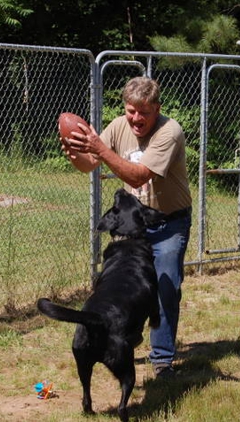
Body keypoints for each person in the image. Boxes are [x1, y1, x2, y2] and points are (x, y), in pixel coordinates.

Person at [61, 76, 192, 378]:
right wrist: (74, 153)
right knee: (125, 288)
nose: (135, 118)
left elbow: (138, 177)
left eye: (143, 112)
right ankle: (123, 341)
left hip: (168, 221)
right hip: (136, 227)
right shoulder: (119, 125)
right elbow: (89, 163)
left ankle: (162, 359)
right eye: (131, 110)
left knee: (165, 285)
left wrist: (100, 149)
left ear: (156, 108)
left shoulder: (169, 131)